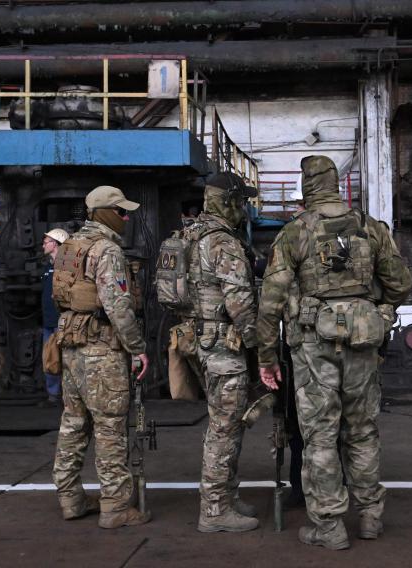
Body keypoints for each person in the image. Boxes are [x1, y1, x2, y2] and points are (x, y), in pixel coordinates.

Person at [256, 155, 412, 550]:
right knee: (362, 431)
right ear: (338, 185)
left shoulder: (294, 233)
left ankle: (329, 527)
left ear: (306, 187)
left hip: (313, 346)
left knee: (320, 436)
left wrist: (266, 357)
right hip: (363, 343)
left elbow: (271, 300)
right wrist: (378, 309)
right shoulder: (370, 227)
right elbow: (400, 284)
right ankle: (371, 517)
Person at [51, 185, 151, 529]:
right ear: (106, 214)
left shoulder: (70, 247)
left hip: (71, 346)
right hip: (101, 351)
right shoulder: (107, 250)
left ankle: (70, 498)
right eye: (121, 212)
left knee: (73, 423)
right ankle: (116, 506)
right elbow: (118, 306)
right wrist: (137, 349)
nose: (126, 217)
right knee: (110, 427)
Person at [175, 172, 261, 533]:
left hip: (195, 338)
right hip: (223, 345)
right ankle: (213, 510)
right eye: (242, 202)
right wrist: (260, 344)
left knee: (227, 423)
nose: (245, 209)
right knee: (225, 427)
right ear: (230, 202)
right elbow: (239, 301)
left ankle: (226, 495)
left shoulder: (189, 235)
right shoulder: (223, 242)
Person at [41, 228, 70, 407]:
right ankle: (53, 395)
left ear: (56, 244)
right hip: (48, 321)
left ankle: (68, 397)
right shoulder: (47, 268)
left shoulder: (66, 267)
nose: (43, 245)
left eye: (46, 242)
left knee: (67, 360)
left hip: (63, 321)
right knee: (50, 358)